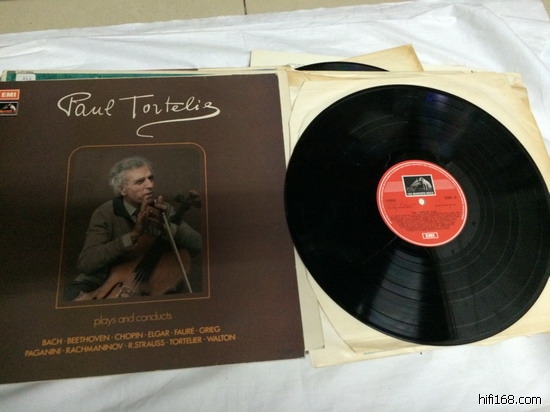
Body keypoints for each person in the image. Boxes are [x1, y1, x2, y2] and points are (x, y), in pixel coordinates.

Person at [64, 156, 202, 301]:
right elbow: (87, 263)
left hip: (145, 284)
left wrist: (167, 227)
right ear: (122, 189)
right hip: (100, 282)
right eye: (140, 181)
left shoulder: (163, 210)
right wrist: (133, 235)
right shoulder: (105, 213)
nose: (150, 185)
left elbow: (197, 244)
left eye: (150, 178)